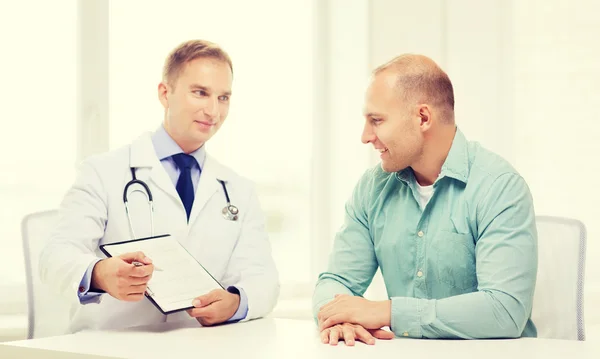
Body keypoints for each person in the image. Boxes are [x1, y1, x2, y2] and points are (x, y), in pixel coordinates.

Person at [40, 39, 279, 332]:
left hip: (199, 347)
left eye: (223, 97)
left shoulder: (238, 189)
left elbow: (263, 277)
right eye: (200, 93)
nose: (213, 111)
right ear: (165, 93)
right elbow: (55, 255)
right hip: (111, 345)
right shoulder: (102, 172)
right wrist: (100, 274)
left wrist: (235, 302)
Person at [313, 54, 537, 344]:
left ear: (423, 118)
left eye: (376, 120)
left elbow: (504, 311)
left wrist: (388, 312)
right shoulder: (372, 188)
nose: (365, 136)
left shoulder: (499, 187)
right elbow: (336, 281)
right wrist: (337, 319)